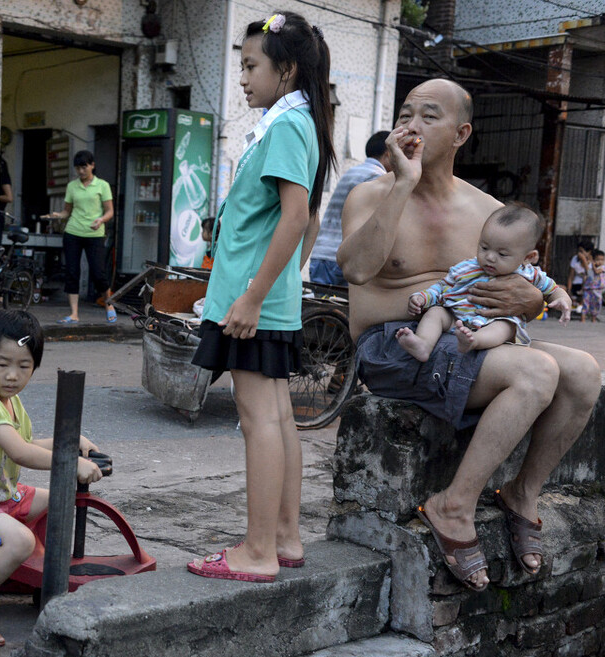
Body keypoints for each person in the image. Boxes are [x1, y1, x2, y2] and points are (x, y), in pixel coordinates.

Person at [339, 78, 601, 592]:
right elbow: (356, 271)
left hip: (469, 338)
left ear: (460, 134)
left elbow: (531, 288)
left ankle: (522, 494)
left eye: (428, 116)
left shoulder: (486, 210)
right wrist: (402, 184)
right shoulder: (371, 193)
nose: (411, 125)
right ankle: (453, 506)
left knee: (584, 373)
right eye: (406, 113)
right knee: (535, 371)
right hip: (393, 345)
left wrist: (537, 302)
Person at [187, 11, 335, 581]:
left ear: (288, 69)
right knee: (276, 417)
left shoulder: (286, 126)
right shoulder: (296, 122)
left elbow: (297, 217)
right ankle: (285, 538)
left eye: (251, 66)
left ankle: (257, 551)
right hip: (265, 296)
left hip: (252, 301)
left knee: (260, 422)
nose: (243, 77)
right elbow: (303, 216)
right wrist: (276, 285)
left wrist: (253, 298)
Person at [0, 310, 102, 638]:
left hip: (0, 495)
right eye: (2, 364)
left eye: (23, 366)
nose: (12, 375)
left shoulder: (10, 400)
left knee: (59, 498)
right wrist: (70, 463)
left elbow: (26, 442)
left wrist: (70, 443)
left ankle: (17, 569)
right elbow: (20, 452)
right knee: (21, 540)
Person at [394, 204, 570, 362]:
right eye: (484, 247)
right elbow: (442, 287)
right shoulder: (467, 267)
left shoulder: (530, 274)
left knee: (506, 326)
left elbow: (553, 290)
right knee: (436, 312)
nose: (490, 257)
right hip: (456, 317)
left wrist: (563, 300)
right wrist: (422, 298)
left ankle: (474, 341)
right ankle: (423, 344)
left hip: (493, 322)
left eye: (502, 254)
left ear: (528, 257)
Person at [308, 130, 390, 287]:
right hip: (342, 259)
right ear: (388, 154)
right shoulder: (377, 178)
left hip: (320, 254)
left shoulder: (351, 172)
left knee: (320, 307)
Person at [44, 150, 115, 324]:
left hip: (95, 234)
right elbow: (67, 211)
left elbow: (109, 211)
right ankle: (74, 313)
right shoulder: (72, 186)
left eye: (84, 167)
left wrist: (101, 220)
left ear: (92, 165)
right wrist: (57, 215)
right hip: (73, 233)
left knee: (99, 273)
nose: (81, 171)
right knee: (72, 272)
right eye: (78, 168)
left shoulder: (102, 186)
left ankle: (109, 303)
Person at [581, 249, 605, 322]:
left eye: (602, 260)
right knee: (585, 303)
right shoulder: (590, 267)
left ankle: (593, 319)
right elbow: (586, 275)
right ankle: (583, 319)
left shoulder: (602, 268)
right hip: (588, 288)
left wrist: (593, 266)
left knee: (596, 304)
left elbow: (597, 271)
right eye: (598, 260)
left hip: (597, 289)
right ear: (594, 259)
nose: (600, 262)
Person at [569, 240, 593, 307]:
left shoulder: (592, 261)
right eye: (579, 251)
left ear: (589, 252)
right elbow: (571, 276)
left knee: (586, 278)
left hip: (587, 285)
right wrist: (569, 290)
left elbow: (590, 275)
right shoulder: (575, 259)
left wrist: (584, 260)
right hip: (576, 284)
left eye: (581, 251)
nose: (579, 253)